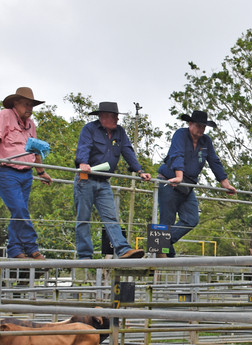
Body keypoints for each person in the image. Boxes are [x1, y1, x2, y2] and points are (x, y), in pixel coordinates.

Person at [74, 101, 152, 259]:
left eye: (117, 116)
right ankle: (85, 256)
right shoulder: (89, 129)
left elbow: (128, 151)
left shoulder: (120, 133)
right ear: (103, 117)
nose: (116, 119)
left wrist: (139, 170)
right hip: (85, 179)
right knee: (83, 218)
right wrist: (83, 162)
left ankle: (123, 250)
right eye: (113, 116)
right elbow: (84, 146)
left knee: (111, 217)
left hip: (104, 181)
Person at [157, 111, 236, 257]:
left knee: (192, 219)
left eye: (203, 127)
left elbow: (214, 161)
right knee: (166, 220)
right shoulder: (180, 134)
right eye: (198, 126)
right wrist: (178, 175)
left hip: (188, 186)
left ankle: (161, 243)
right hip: (170, 181)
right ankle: (161, 257)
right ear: (190, 124)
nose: (201, 130)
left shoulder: (206, 141)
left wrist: (225, 184)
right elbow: (177, 154)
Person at [0, 87, 52, 260]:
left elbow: (35, 148)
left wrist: (41, 172)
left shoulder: (31, 124)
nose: (29, 109)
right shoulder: (4, 115)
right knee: (19, 209)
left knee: (19, 212)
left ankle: (15, 249)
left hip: (26, 173)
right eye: (26, 104)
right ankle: (32, 246)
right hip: (7, 171)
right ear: (15, 103)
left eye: (31, 105)